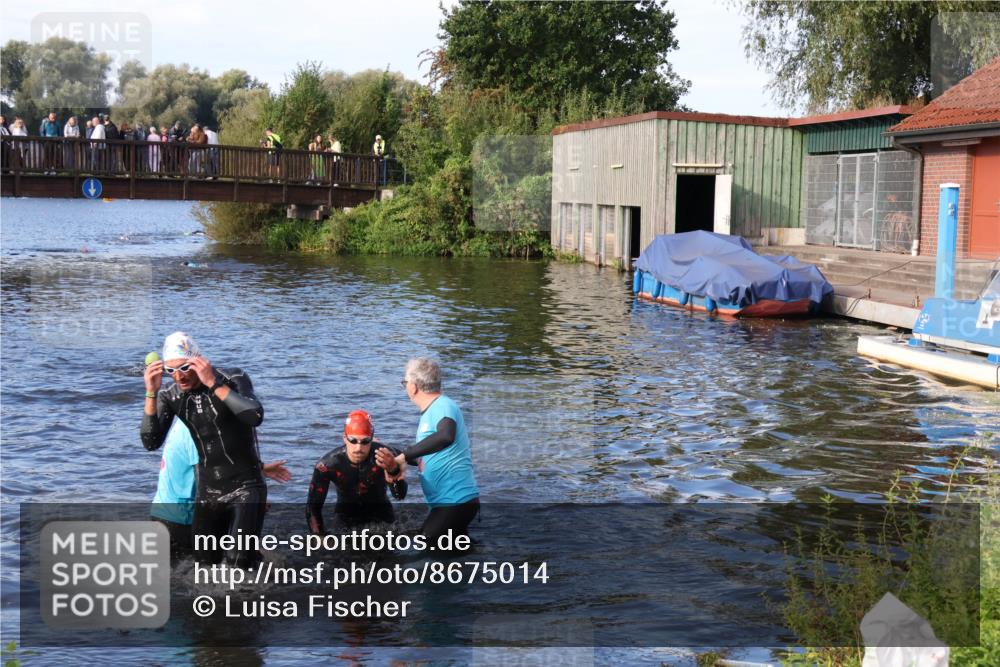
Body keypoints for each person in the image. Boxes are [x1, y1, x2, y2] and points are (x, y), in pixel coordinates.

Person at [141, 332, 270, 568]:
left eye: (184, 367)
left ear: (199, 360)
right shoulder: (171, 395)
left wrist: (213, 383)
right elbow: (151, 442)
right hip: (208, 492)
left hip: (246, 486)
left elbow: (255, 415)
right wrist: (151, 392)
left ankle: (263, 594)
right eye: (171, 371)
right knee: (205, 567)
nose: (178, 377)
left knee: (238, 560)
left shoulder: (232, 377)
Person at [152, 416, 290, 563]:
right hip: (180, 519)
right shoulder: (196, 432)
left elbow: (216, 463)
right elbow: (205, 484)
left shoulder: (189, 421)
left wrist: (259, 469)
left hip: (166, 513)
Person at [380, 358, 480, 543]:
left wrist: (404, 456)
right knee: (453, 557)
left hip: (455, 501)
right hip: (452, 503)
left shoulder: (443, 405)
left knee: (427, 546)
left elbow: (446, 436)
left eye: (405, 383)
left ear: (414, 387)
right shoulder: (434, 410)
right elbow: (429, 454)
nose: (406, 387)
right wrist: (386, 451)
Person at [306, 410, 407, 535]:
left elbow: (400, 495)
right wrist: (319, 538)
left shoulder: (384, 456)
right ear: (345, 438)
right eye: (353, 441)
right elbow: (313, 508)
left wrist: (393, 470)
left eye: (365, 441)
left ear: (371, 440)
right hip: (346, 515)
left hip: (382, 515)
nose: (358, 448)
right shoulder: (327, 465)